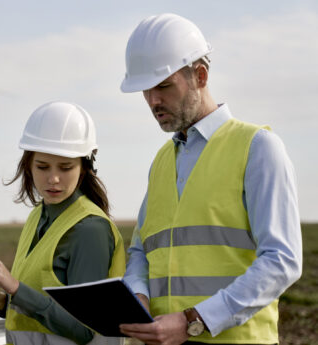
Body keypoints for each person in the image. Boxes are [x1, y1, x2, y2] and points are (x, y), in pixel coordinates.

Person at [118, 13, 303, 345]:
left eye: (163, 86)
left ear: (200, 76)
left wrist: (195, 320)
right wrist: (138, 296)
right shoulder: (161, 161)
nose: (153, 101)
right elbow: (139, 251)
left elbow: (282, 261)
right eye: (146, 90)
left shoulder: (258, 148)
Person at [0, 101, 126, 345]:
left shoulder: (90, 229)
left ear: (83, 168)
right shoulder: (37, 217)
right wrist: (2, 302)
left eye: (66, 167)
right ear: (28, 166)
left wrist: (16, 289)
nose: (53, 179)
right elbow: (42, 312)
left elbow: (84, 331)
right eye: (42, 167)